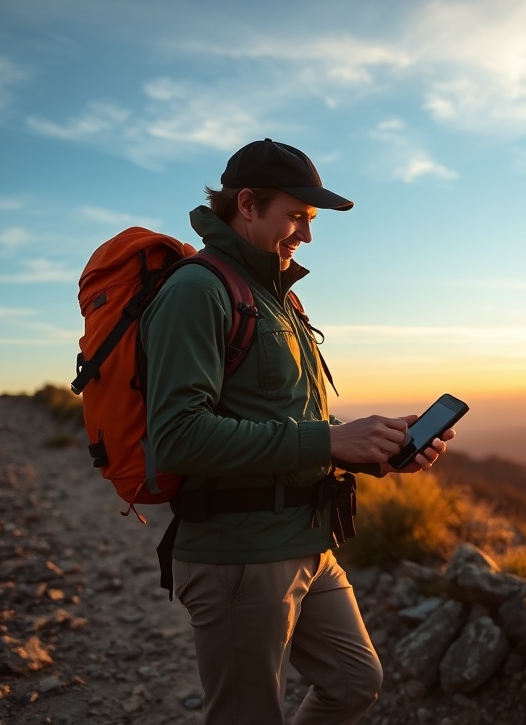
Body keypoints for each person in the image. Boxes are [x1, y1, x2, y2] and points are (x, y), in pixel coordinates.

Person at [140, 138, 455, 725]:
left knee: (355, 680)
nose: (306, 236)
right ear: (248, 204)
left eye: (310, 220)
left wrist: (375, 449)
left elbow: (284, 417)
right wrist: (330, 441)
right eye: (296, 216)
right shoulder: (197, 289)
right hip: (238, 553)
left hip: (305, 538)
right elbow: (178, 436)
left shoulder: (279, 297)